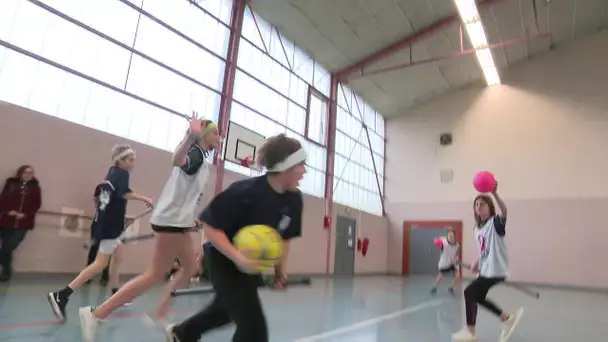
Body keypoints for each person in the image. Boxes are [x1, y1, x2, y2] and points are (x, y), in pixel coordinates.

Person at [78, 115, 220, 341]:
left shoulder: (201, 157)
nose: (219, 137)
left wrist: (191, 218)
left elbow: (185, 193)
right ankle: (100, 313)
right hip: (171, 221)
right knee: (157, 274)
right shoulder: (195, 154)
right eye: (215, 133)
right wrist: (189, 137)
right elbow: (177, 159)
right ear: (203, 136)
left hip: (177, 220)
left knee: (188, 267)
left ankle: (156, 313)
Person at [164, 133, 305, 342]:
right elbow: (210, 226)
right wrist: (238, 258)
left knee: (226, 310)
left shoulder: (294, 200)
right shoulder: (245, 192)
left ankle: (183, 333)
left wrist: (279, 273)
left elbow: (284, 239)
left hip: (250, 264)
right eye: (300, 165)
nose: (304, 172)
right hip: (223, 260)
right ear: (284, 168)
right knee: (253, 329)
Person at [47, 145, 153, 322]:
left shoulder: (112, 174)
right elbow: (124, 194)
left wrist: (124, 218)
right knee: (99, 265)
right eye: (130, 160)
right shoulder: (121, 173)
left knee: (118, 257)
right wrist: (145, 199)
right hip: (109, 228)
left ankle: (116, 293)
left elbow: (112, 202)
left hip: (109, 225)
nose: (133, 163)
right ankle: (62, 295)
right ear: (120, 160)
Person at [451, 183, 524, 342]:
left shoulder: (495, 223)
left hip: (496, 268)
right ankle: (506, 317)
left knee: (469, 292)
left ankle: (470, 331)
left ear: (489, 207)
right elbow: (484, 249)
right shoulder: (478, 228)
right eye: (476, 204)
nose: (478, 206)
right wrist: (476, 262)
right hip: (485, 269)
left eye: (482, 204)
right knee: (477, 296)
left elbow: (504, 211)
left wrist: (495, 193)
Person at [0, 165, 42, 282]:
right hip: (7, 221)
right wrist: (9, 212)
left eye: (31, 173)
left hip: (24, 223)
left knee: (9, 246)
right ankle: (6, 273)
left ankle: (6, 271)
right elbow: (2, 199)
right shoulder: (11, 184)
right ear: (20, 173)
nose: (28, 175)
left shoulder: (35, 187)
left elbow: (36, 204)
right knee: (6, 248)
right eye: (26, 172)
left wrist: (25, 214)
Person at [430, 229, 460, 295]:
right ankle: (435, 287)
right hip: (444, 262)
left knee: (457, 275)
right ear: (447, 236)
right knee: (441, 275)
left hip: (452, 263)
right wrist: (441, 238)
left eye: (452, 235)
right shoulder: (443, 242)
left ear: (455, 236)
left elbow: (456, 254)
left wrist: (455, 260)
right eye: (449, 235)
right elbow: (436, 241)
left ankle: (451, 288)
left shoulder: (457, 245)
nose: (450, 236)